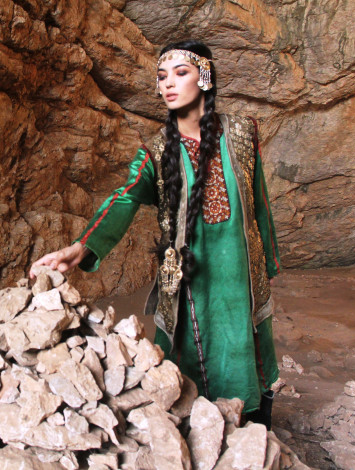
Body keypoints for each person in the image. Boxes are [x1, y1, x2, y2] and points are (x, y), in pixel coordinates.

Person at [31, 40, 280, 428]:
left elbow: (259, 201)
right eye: (162, 76)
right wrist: (82, 246)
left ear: (205, 77)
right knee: (189, 363)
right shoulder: (157, 151)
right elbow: (125, 198)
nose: (168, 84)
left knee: (246, 344)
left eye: (181, 73)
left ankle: (254, 428)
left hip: (241, 273)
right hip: (190, 279)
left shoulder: (243, 133)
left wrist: (268, 263)